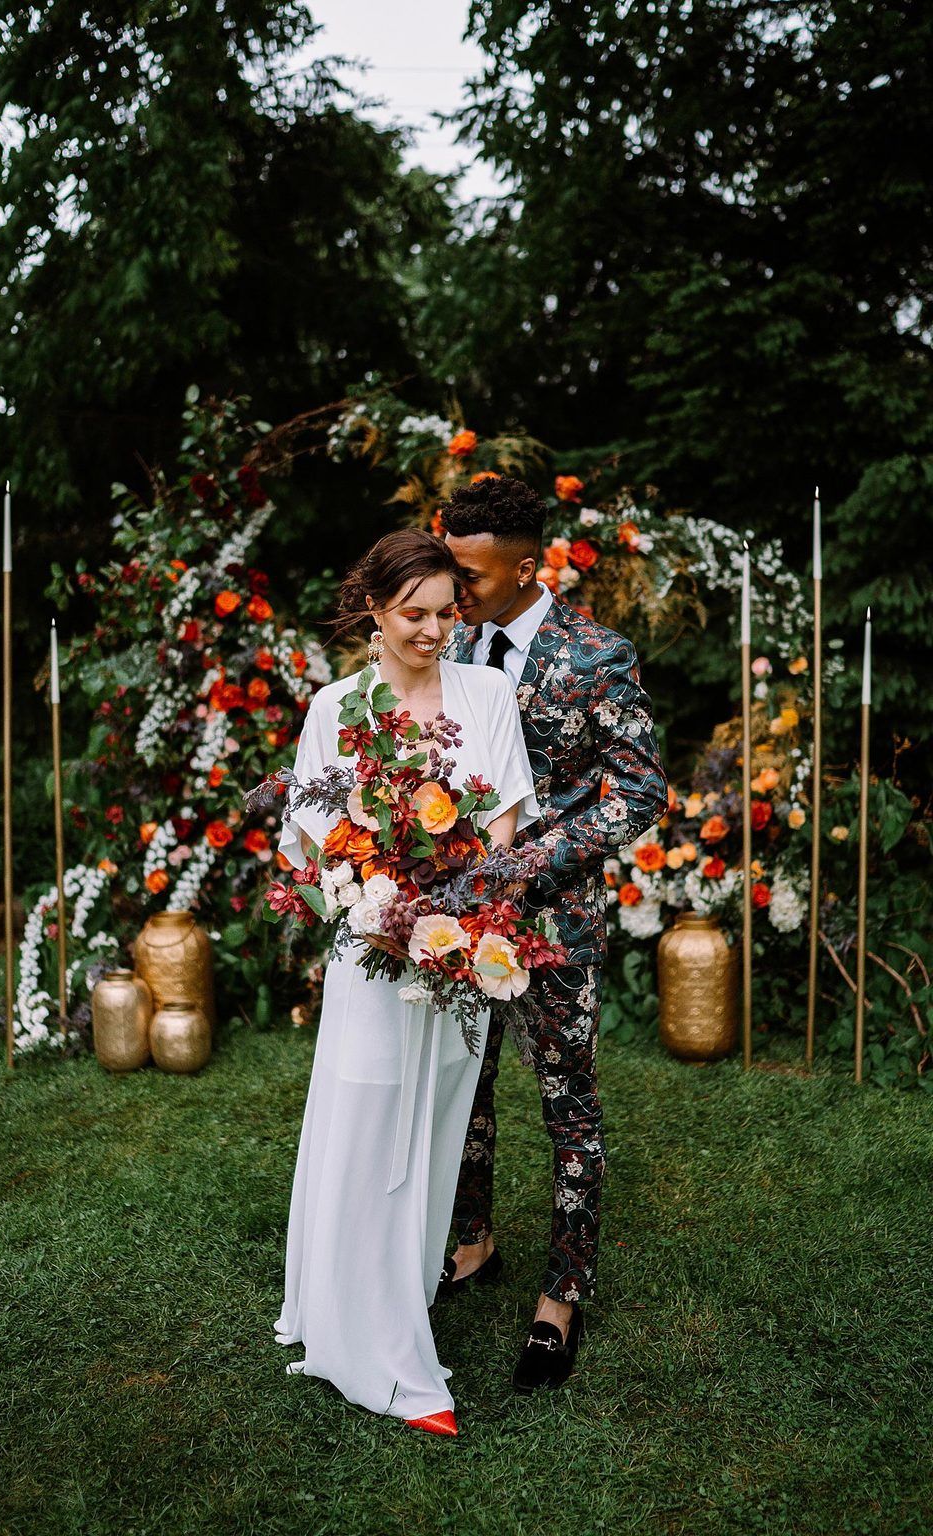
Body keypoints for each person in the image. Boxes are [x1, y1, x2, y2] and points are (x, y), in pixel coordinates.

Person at [273, 528, 540, 1436]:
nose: (435, 630)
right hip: (368, 963)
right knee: (367, 1128)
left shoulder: (488, 693)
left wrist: (460, 928)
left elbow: (503, 828)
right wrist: (371, 909)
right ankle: (372, 1353)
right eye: (413, 614)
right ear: (374, 611)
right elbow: (308, 854)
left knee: (430, 1133)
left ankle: (396, 1296)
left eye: (447, 611)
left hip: (457, 959)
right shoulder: (335, 709)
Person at [440, 476, 668, 1393]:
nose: (456, 593)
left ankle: (563, 1292)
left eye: (473, 575)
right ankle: (472, 1240)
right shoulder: (449, 642)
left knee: (566, 1101)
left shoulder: (597, 656)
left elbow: (641, 791)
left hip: (557, 919)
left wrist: (526, 862)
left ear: (528, 566)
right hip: (459, 916)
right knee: (466, 1088)